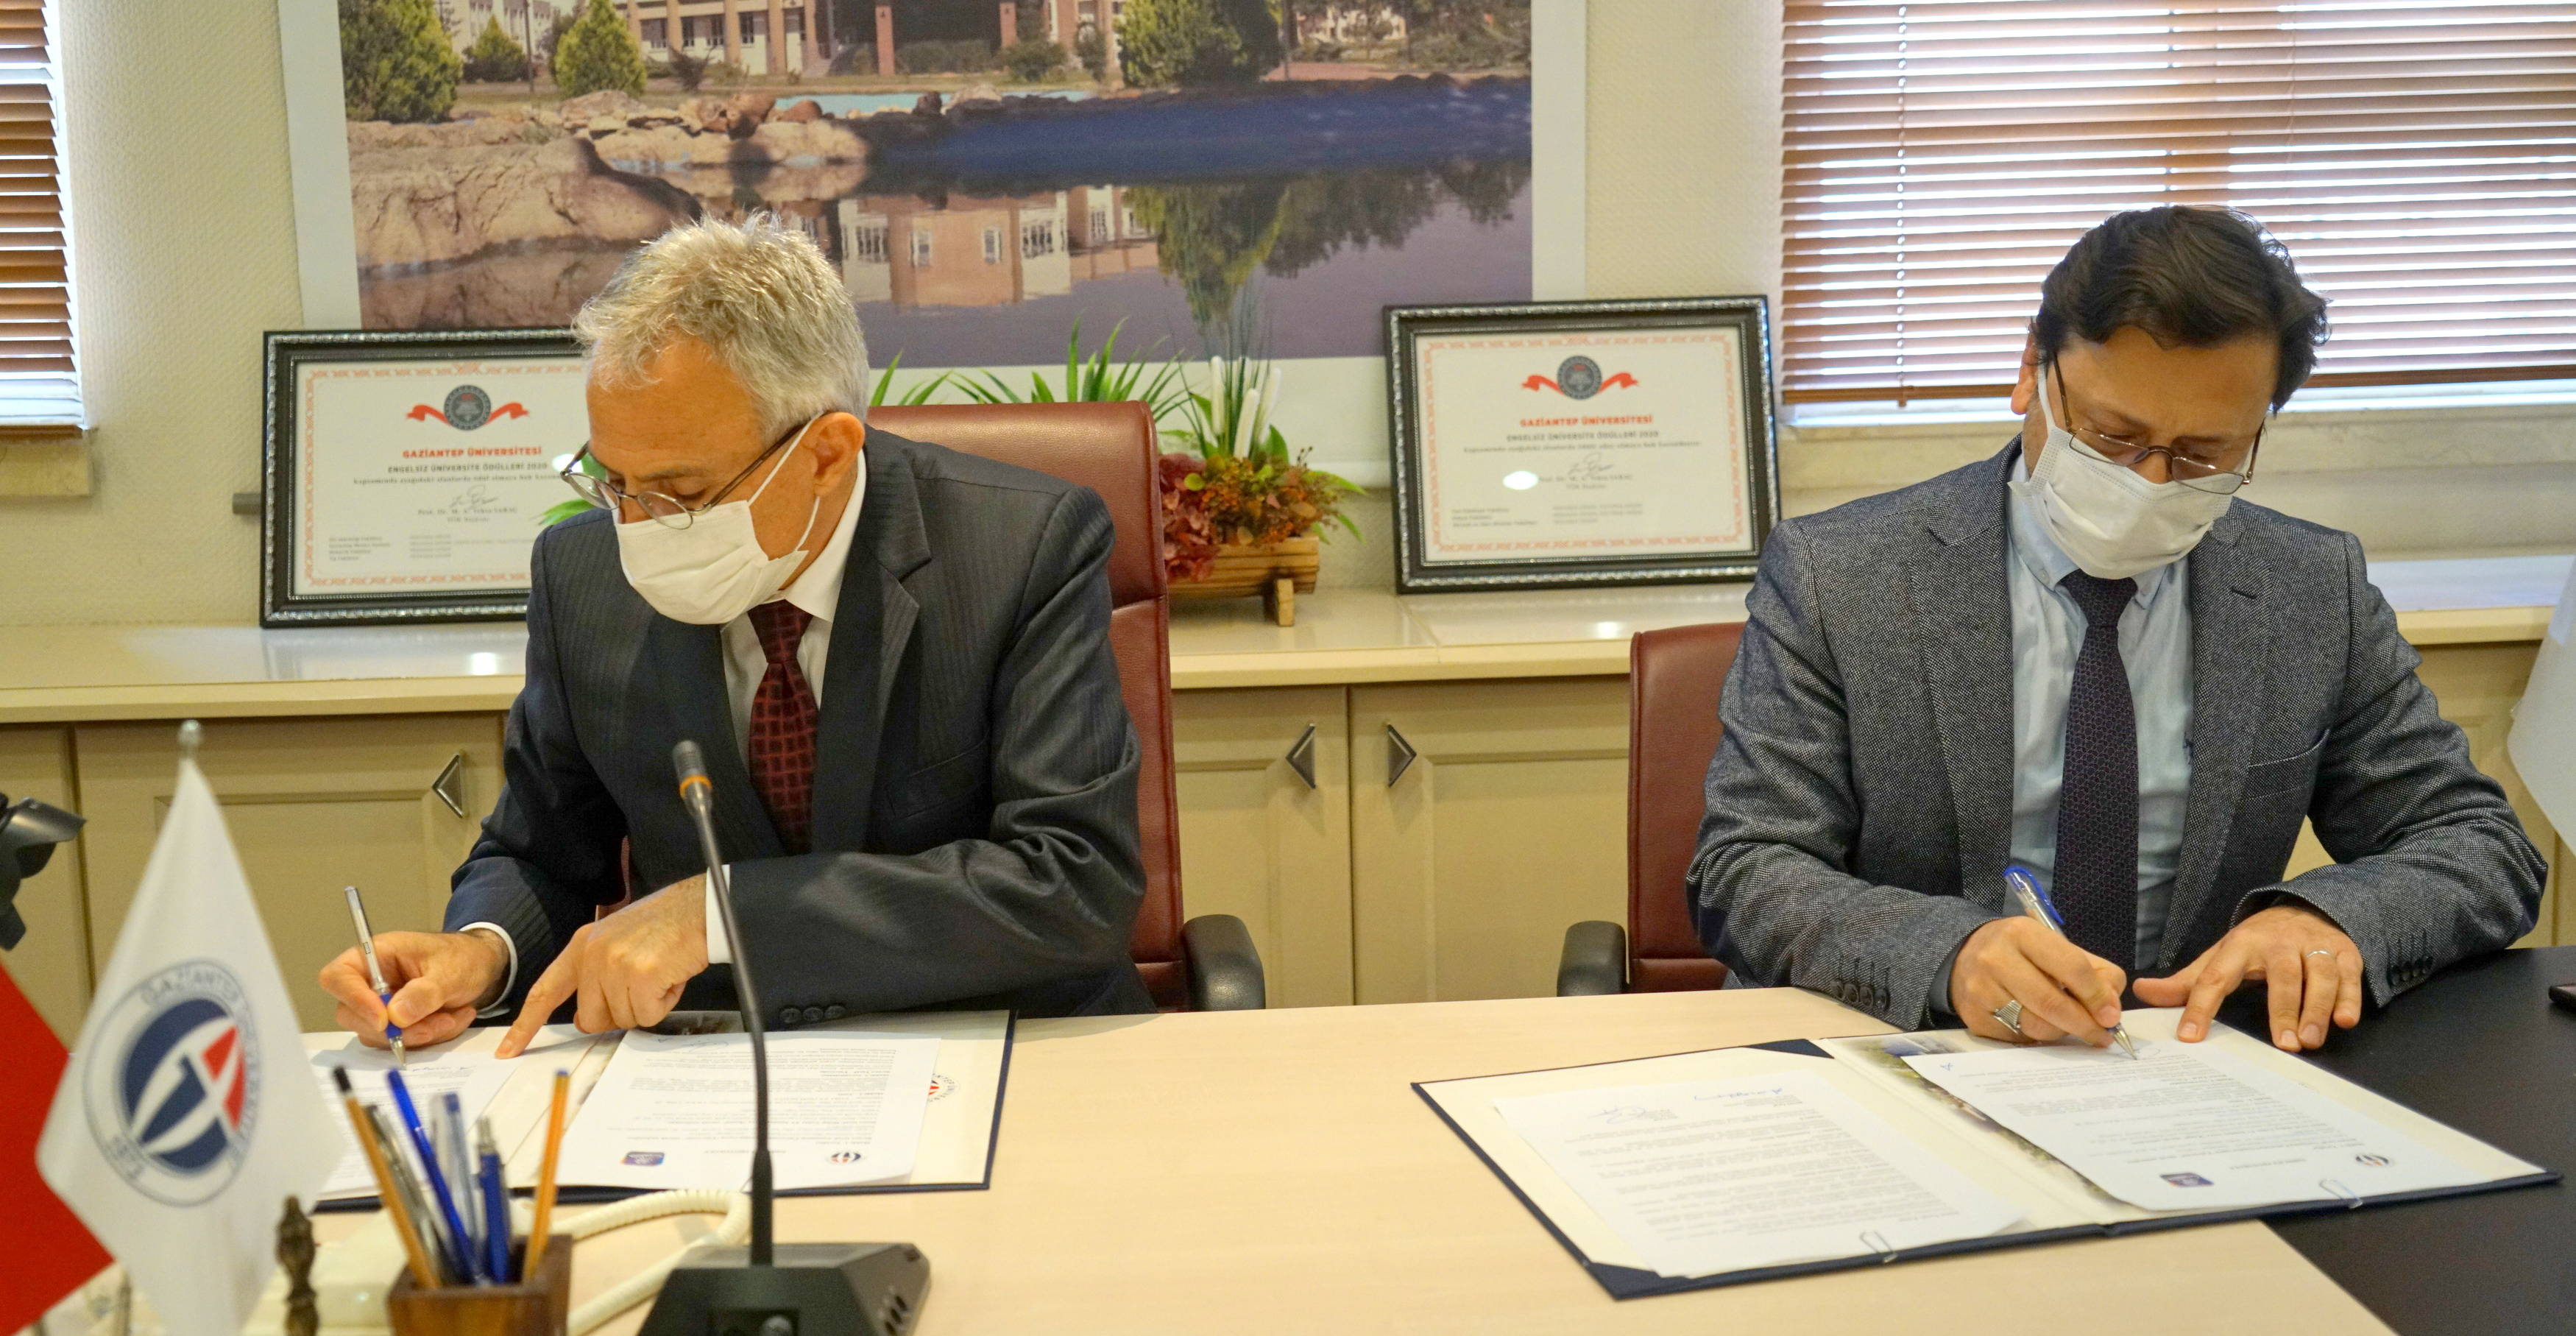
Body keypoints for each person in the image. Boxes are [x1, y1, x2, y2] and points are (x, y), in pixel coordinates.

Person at [1693, 205, 2544, 1053]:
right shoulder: (1840, 576)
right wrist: (1949, 956)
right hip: (1909, 1047)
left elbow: (2477, 844)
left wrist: (2323, 919)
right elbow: (1746, 865)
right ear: (2031, 370)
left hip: (2188, 1057)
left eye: (2203, 453)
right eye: (2111, 437)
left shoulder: (2308, 588)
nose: (2149, 482)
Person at [319, 216, 1151, 1053]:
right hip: (709, 1059)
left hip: (996, 1045)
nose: (637, 526)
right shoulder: (583, 578)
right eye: (614, 481)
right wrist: (480, 952)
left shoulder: (1018, 549)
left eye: (681, 492)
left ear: (825, 455)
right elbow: (540, 849)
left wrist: (721, 916)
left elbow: (1071, 885)